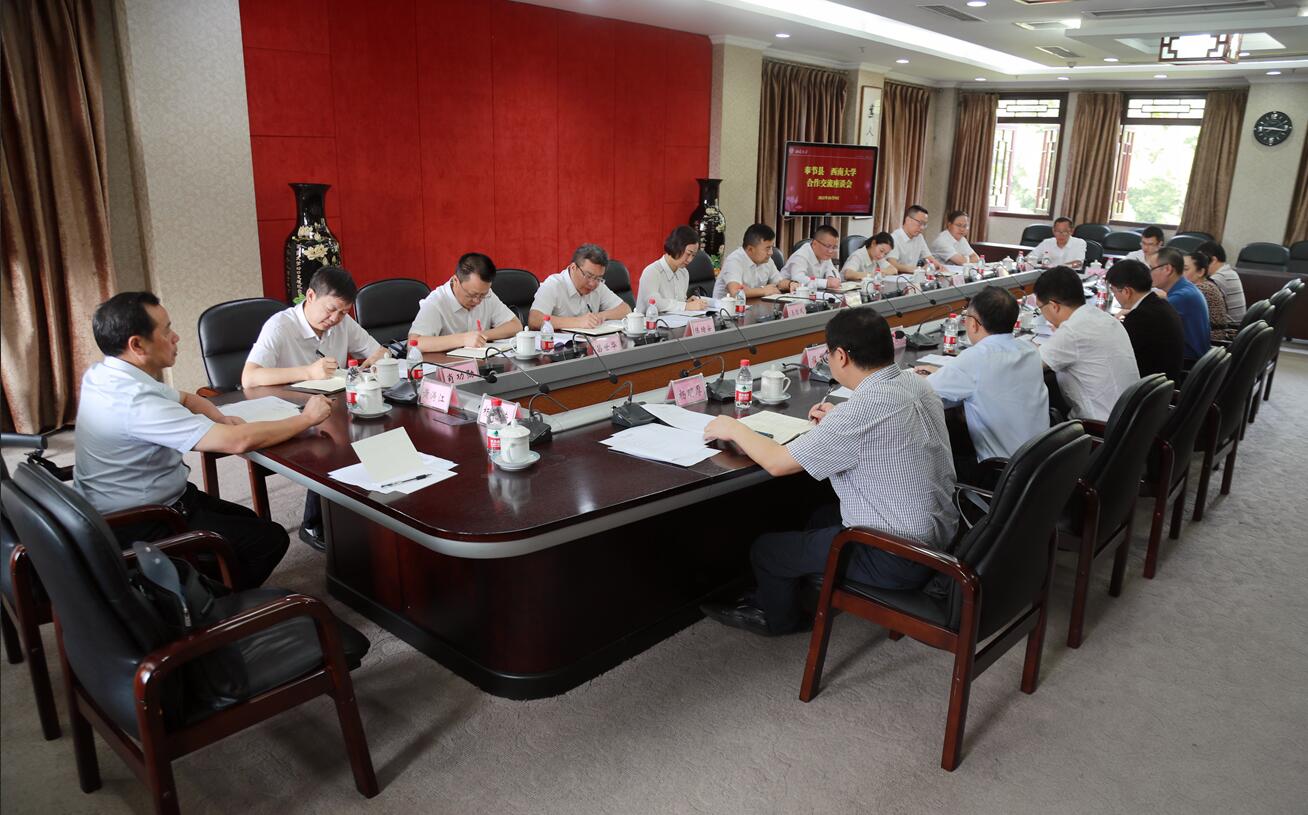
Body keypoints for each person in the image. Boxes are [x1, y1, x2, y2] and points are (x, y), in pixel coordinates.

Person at [697, 308, 957, 636]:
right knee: (820, 516)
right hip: (939, 537)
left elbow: (777, 462)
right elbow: (877, 425)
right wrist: (837, 419)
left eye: (828, 354)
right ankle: (803, 590)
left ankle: (780, 621)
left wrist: (734, 428)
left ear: (841, 356)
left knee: (766, 550)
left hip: (898, 556)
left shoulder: (860, 412)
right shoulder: (915, 382)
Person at [74, 292, 333, 590]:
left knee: (250, 521)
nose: (176, 337)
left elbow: (186, 398)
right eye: (167, 331)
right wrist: (306, 419)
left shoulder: (106, 373)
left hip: (139, 502)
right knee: (268, 540)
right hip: (142, 521)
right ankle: (213, 603)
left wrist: (219, 417)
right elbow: (237, 442)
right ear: (137, 345)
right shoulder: (136, 402)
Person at [243, 265, 385, 550]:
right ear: (310, 296)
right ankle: (314, 523)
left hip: (331, 405)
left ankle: (366, 510)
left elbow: (378, 350)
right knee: (339, 438)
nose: (335, 319)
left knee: (376, 425)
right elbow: (249, 377)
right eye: (331, 310)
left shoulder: (342, 322)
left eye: (343, 312)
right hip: (288, 408)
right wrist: (307, 372)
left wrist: (375, 360)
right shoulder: (280, 326)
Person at [914, 286, 1048, 482]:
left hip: (1002, 472)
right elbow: (992, 377)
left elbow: (923, 392)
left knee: (925, 461)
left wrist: (915, 377)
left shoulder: (975, 359)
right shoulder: (1029, 349)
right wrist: (945, 372)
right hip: (1038, 465)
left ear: (973, 324)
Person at [1034, 266, 1139, 421]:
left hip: (1099, 427)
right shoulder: (1103, 318)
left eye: (1040, 308)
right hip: (1130, 419)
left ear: (1054, 306)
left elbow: (1031, 364)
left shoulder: (1072, 331)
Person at [409, 252, 523, 353]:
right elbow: (414, 343)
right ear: (456, 281)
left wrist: (481, 336)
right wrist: (463, 339)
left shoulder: (487, 294)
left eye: (482, 295)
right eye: (471, 295)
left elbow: (515, 325)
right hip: (446, 366)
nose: (477, 301)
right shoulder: (436, 302)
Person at [1106, 259, 1184, 383]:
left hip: (1148, 387)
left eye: (1114, 291)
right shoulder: (1160, 304)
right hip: (1164, 383)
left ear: (1127, 291)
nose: (1114, 295)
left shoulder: (1141, 317)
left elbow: (1115, 354)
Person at [528, 243, 632, 330]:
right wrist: (578, 322)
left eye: (598, 278)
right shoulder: (554, 284)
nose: (592, 283)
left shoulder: (598, 285)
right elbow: (534, 320)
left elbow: (625, 310)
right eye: (588, 276)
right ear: (573, 267)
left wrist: (598, 317)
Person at [1151, 247, 1210, 362]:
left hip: (1188, 363)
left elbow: (1147, 319)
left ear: (1167, 269)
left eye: (1151, 268)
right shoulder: (1186, 288)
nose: (1148, 273)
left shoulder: (1182, 297)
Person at [637, 225, 709, 312]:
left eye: (693, 255)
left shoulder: (684, 273)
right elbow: (654, 303)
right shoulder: (652, 272)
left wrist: (687, 303)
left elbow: (677, 305)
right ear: (676, 247)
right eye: (688, 253)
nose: (690, 260)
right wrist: (685, 306)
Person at [713, 223, 792, 300]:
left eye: (771, 247)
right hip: (726, 308)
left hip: (754, 306)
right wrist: (764, 290)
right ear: (750, 249)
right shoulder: (734, 260)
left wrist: (790, 284)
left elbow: (779, 282)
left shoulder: (766, 260)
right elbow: (736, 293)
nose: (771, 252)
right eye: (767, 248)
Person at [1184, 251, 1235, 343]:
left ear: (1200, 272)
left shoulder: (1201, 289)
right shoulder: (1207, 284)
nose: (1179, 273)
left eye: (1185, 269)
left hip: (1211, 339)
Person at [887, 205, 945, 274]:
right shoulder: (894, 238)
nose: (922, 227)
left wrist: (940, 266)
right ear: (908, 220)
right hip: (897, 277)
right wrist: (918, 269)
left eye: (924, 224)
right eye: (920, 223)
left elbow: (929, 257)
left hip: (913, 277)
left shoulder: (919, 237)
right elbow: (892, 264)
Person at [781, 224, 842, 290]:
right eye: (828, 246)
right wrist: (826, 283)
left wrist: (831, 277)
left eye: (834, 247)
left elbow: (832, 270)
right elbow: (798, 279)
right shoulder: (801, 255)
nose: (831, 251)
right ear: (815, 243)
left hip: (812, 292)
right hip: (786, 293)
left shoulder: (825, 255)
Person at [1197, 240, 1246, 322]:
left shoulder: (1219, 278)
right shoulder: (1230, 272)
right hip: (1236, 325)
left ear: (1213, 260)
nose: (1199, 266)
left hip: (1229, 327)